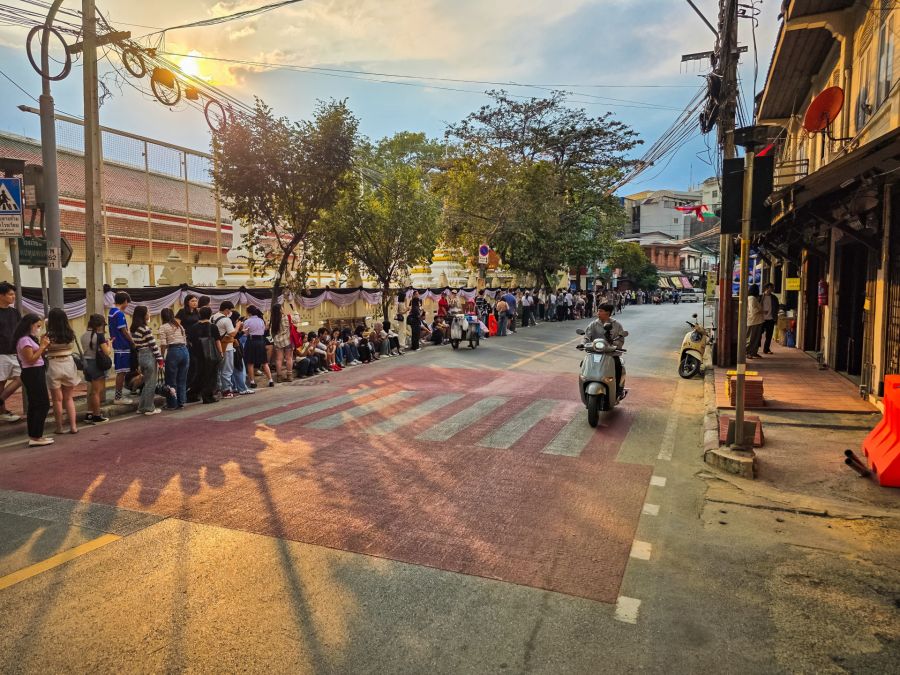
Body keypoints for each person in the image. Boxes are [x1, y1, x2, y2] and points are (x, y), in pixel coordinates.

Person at [14, 314, 52, 446]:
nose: (39, 328)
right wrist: (42, 346)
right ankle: (36, 436)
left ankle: (35, 435)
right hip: (32, 372)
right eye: (37, 326)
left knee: (35, 404)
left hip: (36, 371)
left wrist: (43, 345)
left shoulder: (30, 339)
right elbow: (30, 359)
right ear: (30, 325)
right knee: (42, 404)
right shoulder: (24, 340)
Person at [45, 307, 81, 434]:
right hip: (68, 364)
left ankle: (59, 427)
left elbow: (43, 348)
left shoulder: (48, 336)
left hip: (54, 364)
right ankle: (73, 426)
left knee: (57, 400)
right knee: (69, 398)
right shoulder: (70, 334)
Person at [583, 303, 629, 398]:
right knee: (583, 364)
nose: (598, 313)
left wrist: (615, 345)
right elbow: (586, 336)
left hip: (611, 353)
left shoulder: (616, 325)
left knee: (618, 367)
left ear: (607, 313)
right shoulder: (593, 324)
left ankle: (618, 390)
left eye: (600, 311)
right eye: (598, 310)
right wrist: (583, 344)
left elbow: (621, 340)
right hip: (595, 352)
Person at [130, 305, 164, 416]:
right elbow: (153, 345)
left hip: (141, 355)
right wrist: (160, 360)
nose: (149, 314)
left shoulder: (134, 329)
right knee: (151, 383)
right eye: (147, 312)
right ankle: (149, 408)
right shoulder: (145, 329)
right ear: (143, 314)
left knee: (146, 382)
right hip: (149, 355)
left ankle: (142, 407)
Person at [81, 314, 110, 424]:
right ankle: (97, 415)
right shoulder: (99, 336)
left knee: (92, 391)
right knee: (97, 392)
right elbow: (107, 352)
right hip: (96, 364)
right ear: (99, 325)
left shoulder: (83, 335)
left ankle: (89, 413)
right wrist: (110, 344)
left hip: (86, 364)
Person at [188, 306, 221, 404]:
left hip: (197, 354)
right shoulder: (212, 327)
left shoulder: (194, 327)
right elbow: (217, 341)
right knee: (210, 375)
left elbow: (189, 340)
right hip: (210, 355)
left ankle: (192, 395)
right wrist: (221, 353)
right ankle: (208, 396)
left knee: (199, 374)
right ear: (210, 315)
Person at [158, 307, 189, 409]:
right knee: (182, 378)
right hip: (184, 351)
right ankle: (181, 401)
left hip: (173, 351)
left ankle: (172, 404)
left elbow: (163, 344)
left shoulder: (163, 327)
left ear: (162, 316)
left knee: (171, 379)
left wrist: (161, 356)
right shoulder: (179, 326)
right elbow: (185, 339)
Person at [108, 291, 135, 405]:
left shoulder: (111, 312)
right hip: (122, 346)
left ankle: (118, 396)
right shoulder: (119, 314)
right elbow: (123, 330)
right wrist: (132, 341)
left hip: (117, 345)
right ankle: (118, 397)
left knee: (121, 372)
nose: (127, 305)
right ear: (124, 301)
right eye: (127, 302)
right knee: (121, 372)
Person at [0, 282, 21, 422]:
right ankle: (2, 412)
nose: (13, 297)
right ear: (1, 295)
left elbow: (20, 330)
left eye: (14, 294)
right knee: (1, 382)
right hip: (0, 352)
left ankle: (0, 401)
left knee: (22, 377)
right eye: (10, 294)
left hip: (14, 352)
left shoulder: (14, 312)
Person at [212, 301, 240, 398]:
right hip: (227, 347)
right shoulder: (226, 320)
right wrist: (238, 326)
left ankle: (218, 389)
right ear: (227, 310)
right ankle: (226, 391)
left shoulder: (213, 317)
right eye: (230, 310)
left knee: (218, 370)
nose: (230, 313)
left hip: (216, 347)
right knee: (227, 370)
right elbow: (232, 333)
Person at [242, 306, 274, 387]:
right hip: (261, 341)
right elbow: (263, 331)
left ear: (249, 312)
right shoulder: (261, 320)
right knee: (264, 362)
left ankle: (252, 382)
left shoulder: (247, 321)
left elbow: (245, 333)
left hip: (251, 341)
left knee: (250, 362)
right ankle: (270, 380)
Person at [269, 302, 294, 383]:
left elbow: (271, 331)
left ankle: (279, 377)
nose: (283, 309)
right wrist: (295, 309)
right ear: (280, 310)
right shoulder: (286, 317)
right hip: (287, 340)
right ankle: (289, 376)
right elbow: (297, 319)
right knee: (289, 358)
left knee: (279, 359)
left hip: (277, 341)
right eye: (282, 308)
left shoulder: (273, 320)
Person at [762, 283, 781, 355]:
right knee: (758, 335)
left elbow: (777, 306)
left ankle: (766, 349)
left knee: (769, 336)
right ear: (767, 288)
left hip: (771, 319)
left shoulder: (774, 298)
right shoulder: (761, 297)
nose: (772, 289)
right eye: (771, 288)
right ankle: (755, 350)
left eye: (772, 288)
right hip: (761, 319)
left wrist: (775, 315)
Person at [747, 284, 765, 359]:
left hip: (756, 321)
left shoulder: (752, 298)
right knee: (752, 338)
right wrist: (762, 311)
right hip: (754, 321)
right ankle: (748, 352)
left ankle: (753, 352)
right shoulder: (752, 298)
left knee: (756, 338)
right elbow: (753, 310)